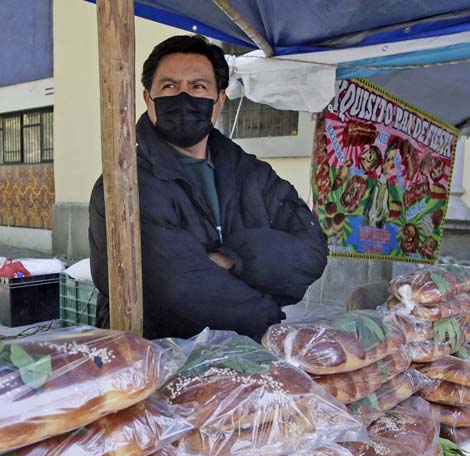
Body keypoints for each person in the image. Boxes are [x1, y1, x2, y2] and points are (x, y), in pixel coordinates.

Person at [88, 35, 327, 340]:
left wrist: (233, 260)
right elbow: (175, 289)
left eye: (198, 86)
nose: (184, 97)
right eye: (169, 86)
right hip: (155, 360)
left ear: (219, 101)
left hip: (243, 359)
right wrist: (267, 311)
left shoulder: (254, 174)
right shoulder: (124, 185)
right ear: (148, 99)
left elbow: (312, 251)